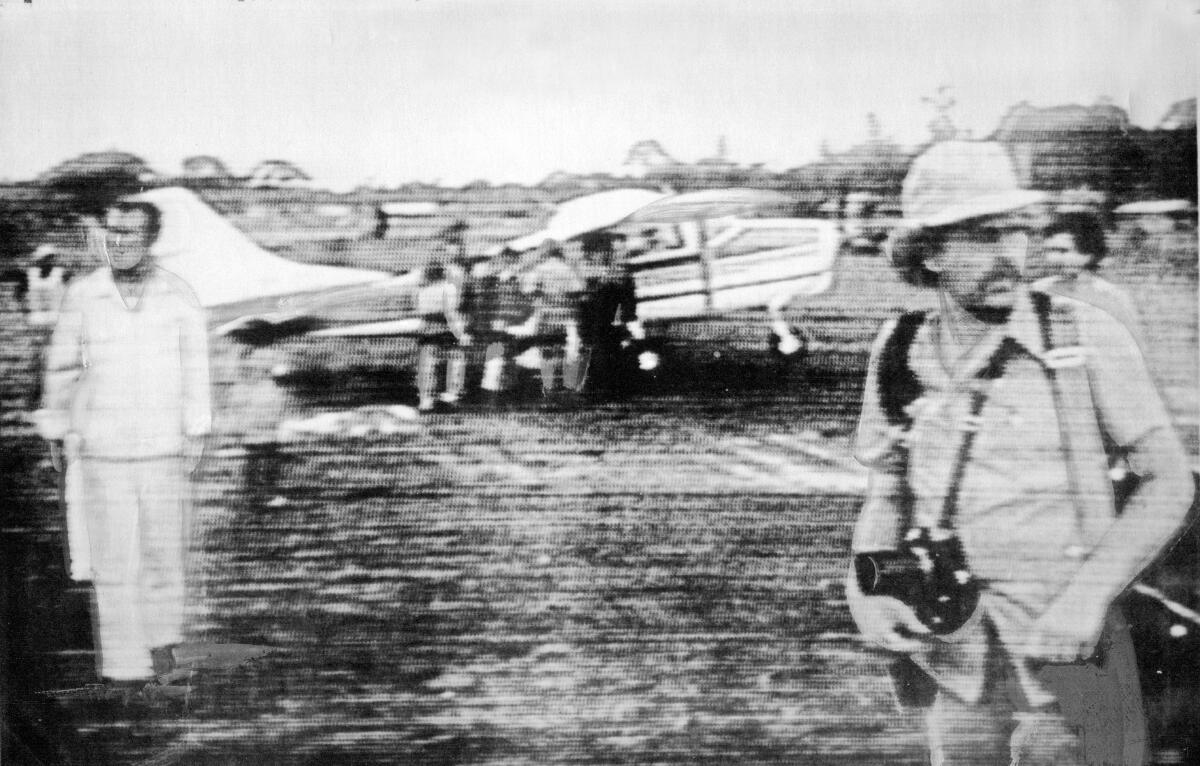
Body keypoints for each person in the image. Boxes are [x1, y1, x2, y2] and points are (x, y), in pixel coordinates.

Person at [846, 141, 1193, 766]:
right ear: (929, 252)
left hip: (1071, 649)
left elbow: (1168, 480)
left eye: (1015, 231)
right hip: (956, 652)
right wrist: (867, 589)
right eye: (981, 235)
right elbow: (888, 492)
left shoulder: (1084, 336)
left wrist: (1088, 597)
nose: (1009, 252)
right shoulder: (900, 347)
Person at [35, 200, 211, 692]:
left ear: (151, 238)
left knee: (163, 557)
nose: (119, 242)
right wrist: (54, 428)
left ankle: (163, 656)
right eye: (112, 232)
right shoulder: (83, 295)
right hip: (102, 448)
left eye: (130, 234)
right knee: (113, 562)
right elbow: (62, 367)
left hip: (162, 448)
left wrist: (196, 429)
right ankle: (122, 670)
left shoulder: (178, 295)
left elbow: (196, 368)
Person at [1033, 211, 1143, 346]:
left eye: (1063, 251)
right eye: (1048, 251)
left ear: (1089, 251)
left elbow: (1133, 344)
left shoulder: (1112, 295)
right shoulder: (1040, 290)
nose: (1052, 258)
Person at [576, 232, 642, 400]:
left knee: (612, 355)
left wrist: (629, 320)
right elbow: (582, 303)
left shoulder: (620, 273)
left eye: (606, 250)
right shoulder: (585, 273)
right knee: (595, 356)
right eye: (599, 251)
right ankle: (597, 389)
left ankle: (613, 390)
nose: (604, 254)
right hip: (591, 324)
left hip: (611, 323)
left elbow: (628, 301)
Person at [473, 247, 537, 406]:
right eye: (509, 261)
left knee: (506, 364)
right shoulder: (493, 280)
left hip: (509, 326)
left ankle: (501, 401)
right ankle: (491, 402)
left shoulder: (514, 280)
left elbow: (525, 305)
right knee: (496, 364)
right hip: (497, 327)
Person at [522, 240, 585, 396]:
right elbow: (581, 288)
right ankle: (569, 387)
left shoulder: (538, 268)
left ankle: (550, 387)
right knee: (568, 351)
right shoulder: (567, 268)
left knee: (547, 352)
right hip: (566, 315)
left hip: (545, 315)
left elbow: (526, 289)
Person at [414, 260, 470, 412]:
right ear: (443, 273)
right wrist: (461, 334)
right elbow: (450, 314)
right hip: (446, 332)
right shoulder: (448, 289)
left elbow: (420, 313)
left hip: (427, 332)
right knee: (455, 362)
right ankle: (452, 396)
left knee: (427, 367)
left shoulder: (421, 291)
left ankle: (426, 400)